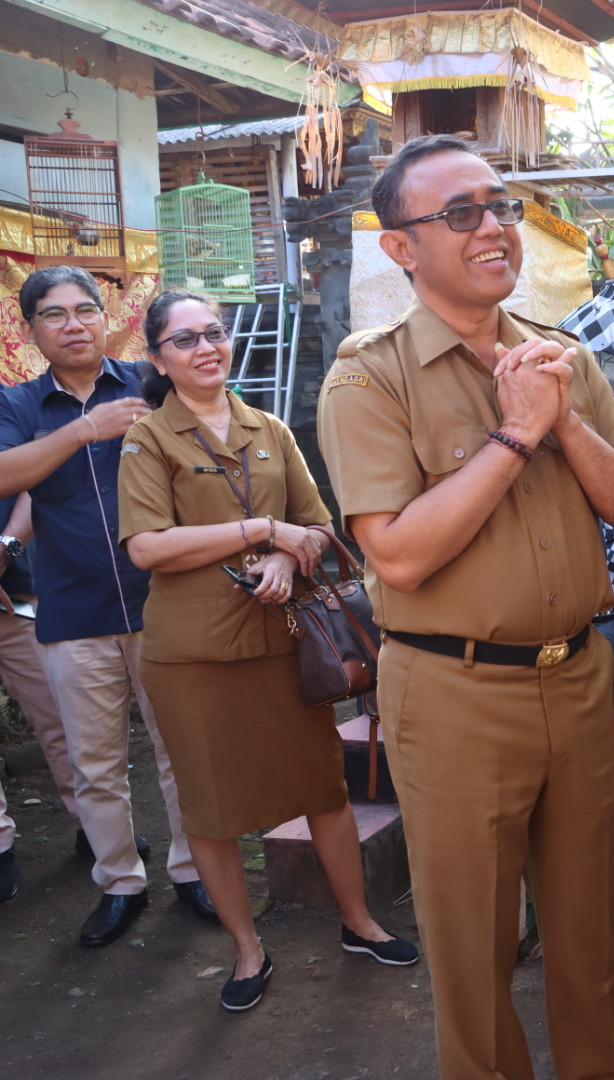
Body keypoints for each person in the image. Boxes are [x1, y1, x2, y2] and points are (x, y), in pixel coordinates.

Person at [318, 134, 614, 1080]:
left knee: (587, 931)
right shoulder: (369, 376)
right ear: (402, 247)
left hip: (577, 678)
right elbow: (396, 553)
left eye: (500, 205)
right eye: (460, 213)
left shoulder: (561, 358)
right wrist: (514, 436)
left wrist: (563, 418)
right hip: (452, 693)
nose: (494, 227)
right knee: (474, 946)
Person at [118, 290, 419, 1012]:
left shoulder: (270, 428)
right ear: (157, 358)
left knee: (322, 789)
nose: (205, 348)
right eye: (184, 339)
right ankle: (248, 950)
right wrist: (261, 531)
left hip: (287, 646)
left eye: (214, 332)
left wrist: (288, 554)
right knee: (211, 809)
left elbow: (317, 525)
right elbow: (147, 547)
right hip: (193, 660)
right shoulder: (148, 440)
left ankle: (359, 923)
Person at [0, 265, 211, 947]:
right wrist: (83, 431)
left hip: (164, 602)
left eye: (85, 310)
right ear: (30, 331)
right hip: (72, 611)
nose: (73, 325)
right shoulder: (17, 404)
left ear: (105, 317)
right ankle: (121, 883)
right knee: (94, 764)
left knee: (181, 750)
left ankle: (195, 870)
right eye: (54, 314)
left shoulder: (149, 382)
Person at [0, 490, 85, 902]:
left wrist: (6, 546)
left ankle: (95, 823)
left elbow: (33, 483)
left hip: (17, 596)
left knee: (63, 714)